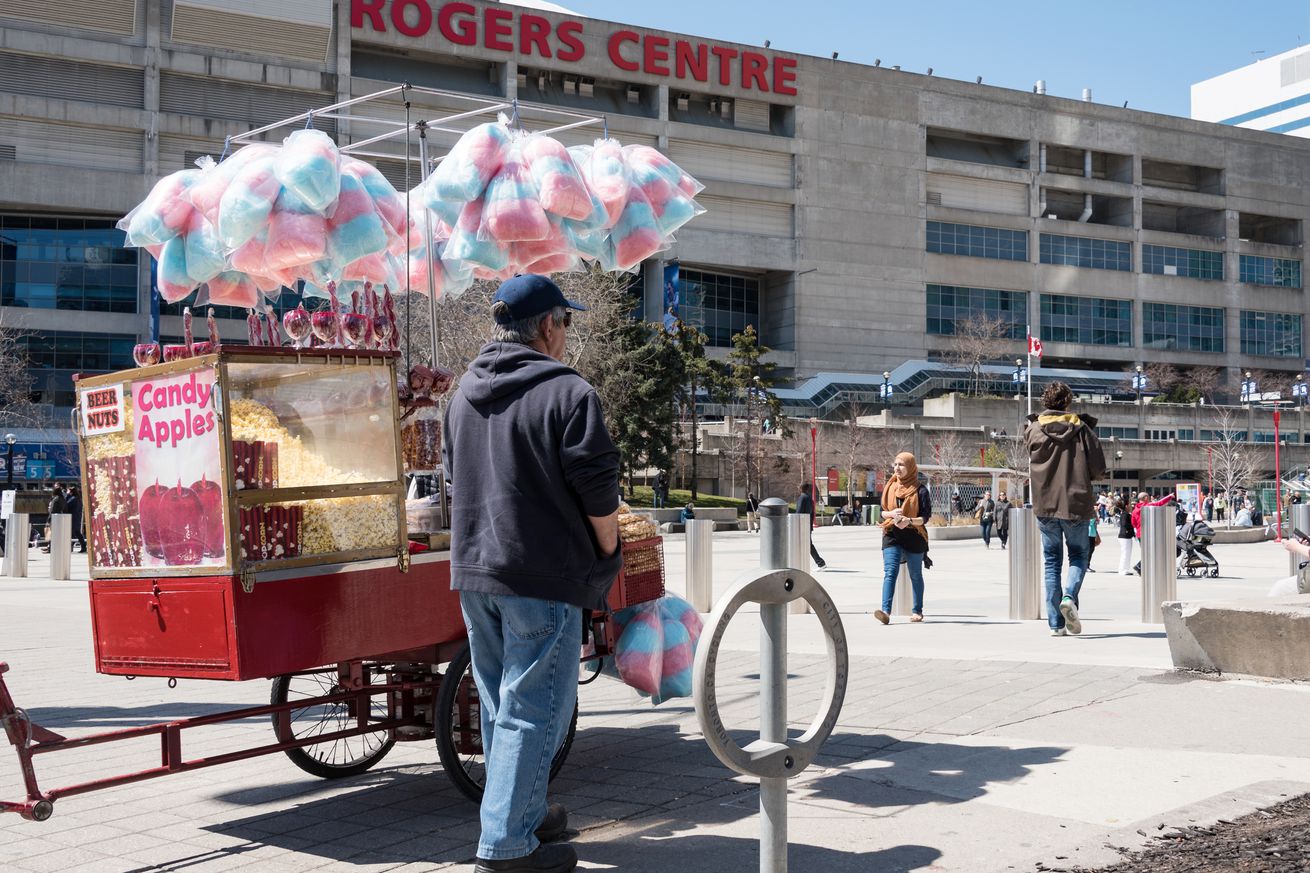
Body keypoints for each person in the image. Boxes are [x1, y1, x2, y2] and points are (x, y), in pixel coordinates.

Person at [443, 274, 621, 873]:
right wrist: (609, 549)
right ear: (548, 325)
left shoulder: (463, 393)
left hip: (476, 572)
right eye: (565, 322)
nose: (567, 334)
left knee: (500, 705)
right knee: (532, 708)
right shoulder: (569, 392)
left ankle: (522, 812)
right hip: (541, 574)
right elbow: (599, 495)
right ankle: (505, 848)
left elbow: (453, 477)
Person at [1024, 382, 1106, 637]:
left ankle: (1055, 624)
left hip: (1045, 503)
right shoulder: (1081, 430)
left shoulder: (1033, 429)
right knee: (1079, 556)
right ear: (1067, 401)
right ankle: (1069, 597)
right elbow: (1099, 469)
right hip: (1075, 503)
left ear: (1046, 401)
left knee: (1051, 562)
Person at [875, 452, 931, 625]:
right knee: (890, 572)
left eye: (901, 465)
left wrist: (909, 521)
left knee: (915, 574)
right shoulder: (890, 487)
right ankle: (885, 611)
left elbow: (925, 517)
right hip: (892, 534)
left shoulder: (921, 490)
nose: (897, 468)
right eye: (895, 464)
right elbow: (881, 512)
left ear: (911, 467)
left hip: (914, 536)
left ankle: (917, 611)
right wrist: (891, 514)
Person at [795, 482, 826, 570]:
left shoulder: (802, 498)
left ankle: (820, 563)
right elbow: (811, 513)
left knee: (806, 545)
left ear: (801, 488)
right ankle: (819, 563)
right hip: (807, 524)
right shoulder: (809, 498)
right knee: (807, 544)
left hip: (801, 525)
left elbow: (799, 512)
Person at [1117, 493, 1137, 575]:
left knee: (1127, 553)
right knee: (1125, 553)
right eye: (1129, 505)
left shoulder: (1125, 514)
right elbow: (1125, 525)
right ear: (1126, 506)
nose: (1131, 506)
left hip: (1126, 536)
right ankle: (1122, 570)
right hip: (1124, 536)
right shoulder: (1125, 515)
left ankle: (1125, 569)